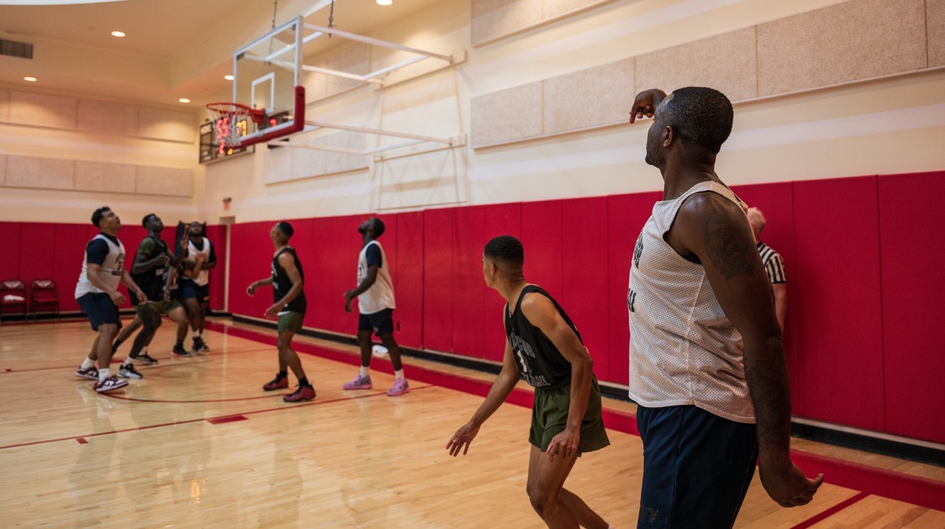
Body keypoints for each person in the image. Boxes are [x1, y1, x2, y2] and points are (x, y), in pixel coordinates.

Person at [627, 87, 823, 527]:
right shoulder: (686, 201)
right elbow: (684, 119)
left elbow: (765, 337)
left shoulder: (705, 210)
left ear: (668, 136)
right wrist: (661, 100)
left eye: (659, 121)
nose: (653, 124)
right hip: (672, 409)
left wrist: (774, 456)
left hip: (696, 416)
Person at [447, 236, 610, 529]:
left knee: (543, 496)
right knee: (539, 493)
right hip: (546, 396)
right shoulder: (509, 309)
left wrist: (572, 428)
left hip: (568, 393)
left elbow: (582, 361)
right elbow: (509, 374)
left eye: (483, 264)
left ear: (493, 268)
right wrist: (475, 423)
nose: (482, 269)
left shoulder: (532, 303)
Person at [74, 206, 147, 394]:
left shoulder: (118, 244)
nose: (117, 217)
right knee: (108, 329)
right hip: (91, 291)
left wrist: (137, 290)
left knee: (112, 329)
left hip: (102, 292)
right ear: (103, 223)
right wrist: (112, 292)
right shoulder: (98, 244)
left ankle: (86, 366)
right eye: (111, 216)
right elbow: (91, 273)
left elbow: (121, 273)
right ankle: (104, 378)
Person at [112, 214, 191, 378]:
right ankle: (126, 364)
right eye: (154, 220)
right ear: (147, 226)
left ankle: (133, 356)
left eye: (159, 219)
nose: (159, 221)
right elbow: (136, 268)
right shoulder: (148, 242)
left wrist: (183, 250)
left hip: (152, 290)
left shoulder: (162, 244)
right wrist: (155, 261)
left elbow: (175, 263)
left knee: (153, 324)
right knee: (148, 325)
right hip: (141, 290)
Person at [247, 221, 315, 402]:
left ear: (276, 233)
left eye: (273, 228)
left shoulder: (285, 256)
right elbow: (277, 277)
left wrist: (280, 303)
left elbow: (298, 284)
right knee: (281, 343)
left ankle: (305, 386)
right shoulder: (280, 254)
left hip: (292, 306)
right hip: (286, 306)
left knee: (283, 346)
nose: (271, 230)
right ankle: (283, 377)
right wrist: (260, 283)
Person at [342, 217, 408, 396]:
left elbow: (371, 277)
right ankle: (364, 377)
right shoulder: (366, 248)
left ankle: (401, 380)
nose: (363, 221)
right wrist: (354, 296)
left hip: (380, 303)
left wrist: (354, 294)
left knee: (387, 339)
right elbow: (366, 279)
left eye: (368, 220)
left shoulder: (373, 247)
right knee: (363, 337)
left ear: (371, 228)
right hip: (368, 304)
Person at [746, 207, 789, 331]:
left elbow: (780, 293)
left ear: (752, 228)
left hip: (762, 323)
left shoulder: (771, 257)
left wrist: (779, 326)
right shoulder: (741, 255)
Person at [179, 221, 216, 354]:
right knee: (193, 308)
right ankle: (197, 338)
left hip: (203, 281)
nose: (196, 227)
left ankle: (198, 339)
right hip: (188, 281)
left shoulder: (208, 243)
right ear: (189, 230)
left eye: (198, 226)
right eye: (193, 226)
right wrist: (198, 263)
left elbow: (214, 263)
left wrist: (198, 265)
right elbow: (182, 262)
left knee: (201, 312)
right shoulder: (185, 244)